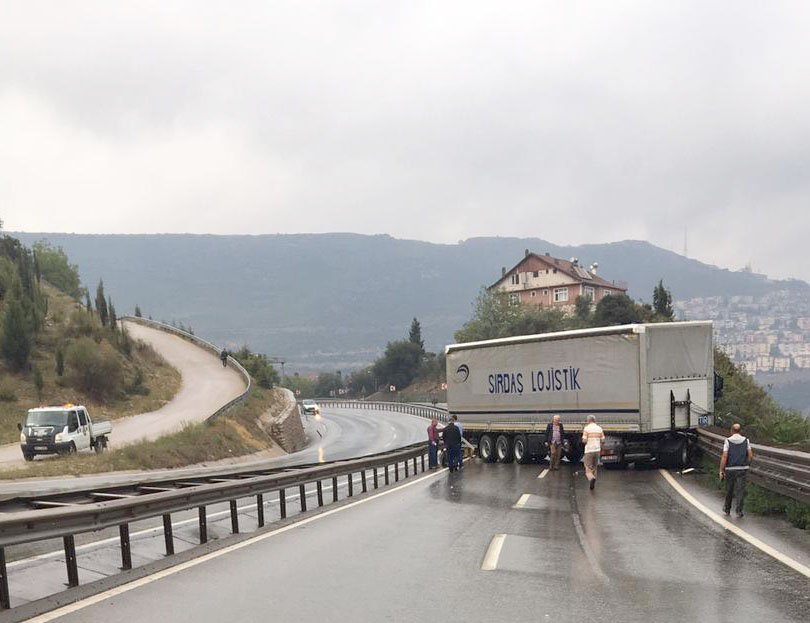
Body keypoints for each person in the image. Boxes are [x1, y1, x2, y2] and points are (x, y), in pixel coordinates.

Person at [719, 423, 753, 517]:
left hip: (730, 468)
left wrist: (721, 469)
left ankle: (727, 508)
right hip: (742, 468)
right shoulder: (746, 441)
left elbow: (725, 456)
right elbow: (750, 455)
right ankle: (739, 510)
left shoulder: (728, 441)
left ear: (732, 430)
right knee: (740, 490)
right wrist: (747, 464)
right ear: (740, 431)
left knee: (729, 489)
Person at [581, 415, 605, 490]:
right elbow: (603, 440)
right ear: (594, 420)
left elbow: (584, 440)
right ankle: (594, 480)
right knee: (595, 466)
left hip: (589, 450)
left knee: (587, 467)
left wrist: (584, 440)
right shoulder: (599, 428)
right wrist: (599, 445)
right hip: (597, 450)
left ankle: (591, 478)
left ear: (588, 421)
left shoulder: (587, 428)